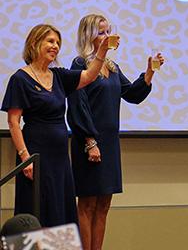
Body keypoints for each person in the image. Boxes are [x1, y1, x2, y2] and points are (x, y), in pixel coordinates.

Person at [66, 14, 164, 250]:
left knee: (104, 205)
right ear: (88, 35)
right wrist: (90, 141)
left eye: (108, 31)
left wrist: (149, 73)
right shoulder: (80, 65)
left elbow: (131, 94)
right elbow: (78, 105)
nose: (107, 36)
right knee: (87, 205)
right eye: (101, 32)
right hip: (88, 143)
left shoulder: (112, 66)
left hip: (109, 143)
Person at [1, 24, 109, 227]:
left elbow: (89, 76)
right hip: (35, 155)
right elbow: (13, 122)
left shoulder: (58, 75)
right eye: (50, 41)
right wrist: (25, 158)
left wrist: (102, 51)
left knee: (61, 208)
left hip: (59, 157)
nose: (55, 46)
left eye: (58, 43)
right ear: (35, 43)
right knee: (38, 209)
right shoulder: (20, 79)